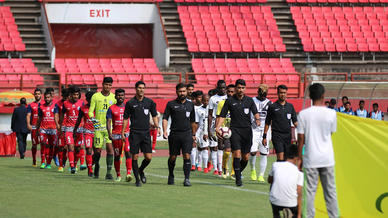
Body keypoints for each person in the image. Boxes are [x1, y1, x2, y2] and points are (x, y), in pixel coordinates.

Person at [297, 83, 338, 218]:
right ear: (323, 95)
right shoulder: (332, 113)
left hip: (311, 157)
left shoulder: (303, 114)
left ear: (310, 96)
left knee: (310, 192)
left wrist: (299, 158)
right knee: (330, 192)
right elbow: (330, 134)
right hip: (327, 157)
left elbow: (301, 139)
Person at [216, 79, 260, 186]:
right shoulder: (230, 101)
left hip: (247, 131)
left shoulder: (249, 100)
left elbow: (255, 112)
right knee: (237, 153)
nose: (240, 90)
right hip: (235, 130)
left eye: (242, 88)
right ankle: (238, 179)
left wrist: (257, 119)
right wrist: (217, 127)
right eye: (239, 88)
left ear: (245, 88)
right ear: (236, 88)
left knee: (245, 157)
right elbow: (222, 115)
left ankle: (237, 172)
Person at [122, 81, 160, 187]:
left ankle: (141, 170)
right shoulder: (130, 103)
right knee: (135, 157)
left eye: (143, 88)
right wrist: (123, 132)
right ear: (136, 89)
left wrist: (157, 126)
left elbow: (154, 115)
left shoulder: (150, 102)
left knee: (148, 157)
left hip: (146, 133)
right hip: (134, 133)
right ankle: (137, 180)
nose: (141, 89)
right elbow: (125, 118)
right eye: (139, 88)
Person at [163, 83, 196, 186]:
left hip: (187, 134)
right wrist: (164, 131)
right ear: (176, 92)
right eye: (180, 91)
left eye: (184, 91)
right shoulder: (171, 104)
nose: (182, 93)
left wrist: (194, 134)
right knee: (173, 157)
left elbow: (193, 121)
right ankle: (171, 175)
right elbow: (165, 118)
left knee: (187, 156)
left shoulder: (190, 105)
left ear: (186, 92)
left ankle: (187, 179)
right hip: (174, 134)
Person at [88, 77, 116, 179]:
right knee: (97, 152)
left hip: (110, 128)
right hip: (98, 128)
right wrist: (93, 119)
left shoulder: (114, 97)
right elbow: (90, 111)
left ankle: (109, 173)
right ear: (102, 84)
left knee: (110, 149)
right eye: (106, 84)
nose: (108, 87)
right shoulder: (96, 96)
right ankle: (94, 164)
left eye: (110, 85)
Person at [263, 85, 297, 161]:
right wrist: (264, 136)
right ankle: (278, 172)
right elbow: (267, 122)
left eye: (284, 93)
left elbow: (295, 122)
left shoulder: (290, 107)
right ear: (278, 93)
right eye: (281, 93)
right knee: (280, 157)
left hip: (288, 136)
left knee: (286, 158)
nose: (283, 94)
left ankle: (282, 172)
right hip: (277, 135)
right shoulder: (272, 107)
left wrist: (302, 132)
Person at [268, 145, 303, 218]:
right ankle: (293, 214)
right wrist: (299, 214)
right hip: (291, 203)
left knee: (272, 183)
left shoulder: (275, 165)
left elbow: (269, 180)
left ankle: (276, 215)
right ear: (296, 158)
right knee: (296, 213)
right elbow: (299, 193)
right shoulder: (298, 172)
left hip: (275, 201)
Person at [107, 89, 133, 182]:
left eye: (122, 95)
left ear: (124, 96)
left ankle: (129, 173)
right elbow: (108, 121)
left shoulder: (128, 107)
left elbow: (133, 119)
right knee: (117, 155)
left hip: (126, 134)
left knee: (128, 152)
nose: (120, 97)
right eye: (118, 95)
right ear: (115, 96)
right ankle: (118, 175)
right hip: (116, 135)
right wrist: (109, 133)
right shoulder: (111, 108)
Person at [58, 86, 84, 174]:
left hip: (79, 129)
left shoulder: (82, 103)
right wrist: (61, 126)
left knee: (78, 148)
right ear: (71, 95)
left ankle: (75, 164)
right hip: (69, 128)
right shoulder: (65, 104)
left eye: (77, 94)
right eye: (74, 94)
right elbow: (62, 114)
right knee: (70, 146)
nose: (76, 96)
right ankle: (72, 166)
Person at [250, 84, 272, 182]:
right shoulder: (252, 101)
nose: (263, 95)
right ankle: (253, 170)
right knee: (253, 152)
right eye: (262, 93)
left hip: (265, 130)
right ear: (258, 92)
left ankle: (261, 175)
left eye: (265, 94)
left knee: (264, 153)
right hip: (253, 129)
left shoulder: (270, 103)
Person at [36, 91, 60, 169]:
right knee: (43, 144)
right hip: (43, 129)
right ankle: (43, 162)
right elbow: (39, 119)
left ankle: (48, 163)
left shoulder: (55, 106)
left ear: (51, 98)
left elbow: (56, 117)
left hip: (53, 129)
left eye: (48, 97)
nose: (47, 99)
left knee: (51, 146)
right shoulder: (41, 106)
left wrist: (58, 127)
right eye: (46, 97)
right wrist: (37, 129)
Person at [215, 84, 235, 179]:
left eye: (232, 92)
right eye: (229, 91)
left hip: (236, 130)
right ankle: (224, 167)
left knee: (236, 152)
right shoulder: (221, 103)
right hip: (225, 131)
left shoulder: (238, 103)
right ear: (226, 92)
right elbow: (218, 117)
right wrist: (217, 129)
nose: (230, 93)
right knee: (227, 151)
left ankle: (233, 172)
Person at [208, 80, 227, 175]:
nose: (222, 89)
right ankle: (219, 169)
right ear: (217, 88)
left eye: (224, 87)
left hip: (227, 123)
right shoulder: (213, 99)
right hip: (216, 124)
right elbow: (210, 114)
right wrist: (209, 130)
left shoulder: (229, 97)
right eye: (220, 88)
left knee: (228, 148)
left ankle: (225, 168)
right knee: (218, 146)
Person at [74, 91, 95, 177]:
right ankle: (90, 170)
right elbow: (79, 120)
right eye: (89, 99)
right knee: (89, 149)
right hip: (87, 132)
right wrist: (75, 130)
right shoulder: (83, 108)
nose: (91, 101)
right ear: (87, 99)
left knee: (97, 152)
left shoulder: (98, 108)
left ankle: (92, 165)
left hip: (98, 132)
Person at [26, 88, 42, 166]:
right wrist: (28, 124)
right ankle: (34, 160)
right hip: (34, 127)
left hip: (43, 127)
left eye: (39, 94)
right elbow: (28, 115)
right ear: (34, 95)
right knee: (34, 144)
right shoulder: (31, 105)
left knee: (44, 144)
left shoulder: (44, 104)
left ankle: (43, 161)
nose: (37, 95)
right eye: (36, 94)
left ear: (41, 95)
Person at [195, 94, 210, 173]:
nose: (206, 102)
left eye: (207, 100)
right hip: (200, 131)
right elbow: (197, 122)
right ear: (202, 101)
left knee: (205, 148)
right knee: (200, 148)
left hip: (208, 131)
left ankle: (206, 167)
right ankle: (199, 165)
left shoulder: (211, 109)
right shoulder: (198, 110)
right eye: (204, 100)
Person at [55, 88, 69, 169]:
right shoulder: (58, 104)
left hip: (70, 127)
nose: (65, 98)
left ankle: (64, 161)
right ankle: (60, 165)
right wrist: (57, 124)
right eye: (64, 96)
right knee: (61, 146)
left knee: (67, 147)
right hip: (61, 127)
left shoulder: (70, 103)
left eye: (67, 96)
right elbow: (56, 114)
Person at [190, 90, 203, 170]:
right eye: (198, 97)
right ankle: (193, 164)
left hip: (202, 129)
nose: (200, 99)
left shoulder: (205, 107)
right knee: (193, 146)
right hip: (194, 129)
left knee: (201, 148)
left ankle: (199, 164)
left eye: (201, 97)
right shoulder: (192, 107)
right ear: (195, 98)